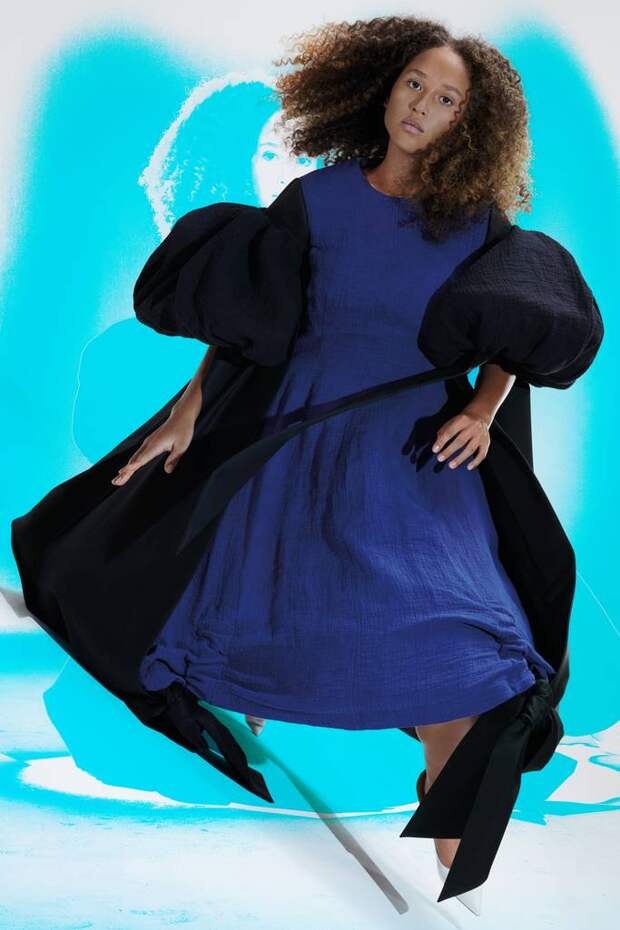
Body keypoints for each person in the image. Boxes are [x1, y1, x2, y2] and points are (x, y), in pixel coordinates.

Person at [11, 15, 603, 917]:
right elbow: (253, 320)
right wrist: (187, 408)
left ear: (472, 125)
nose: (422, 106)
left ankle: (465, 890)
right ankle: (300, 747)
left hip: (417, 457)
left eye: (448, 99)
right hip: (299, 440)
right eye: (414, 83)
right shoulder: (318, 199)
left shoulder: (482, 227)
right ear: (381, 86)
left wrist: (483, 409)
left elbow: (517, 329)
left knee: (471, 657)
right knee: (273, 618)